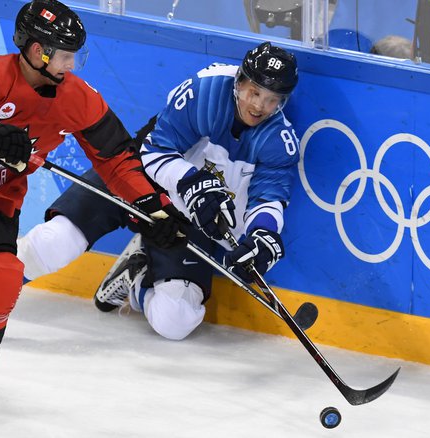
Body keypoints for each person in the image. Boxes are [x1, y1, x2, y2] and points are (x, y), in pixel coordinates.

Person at [0, 0, 187, 410]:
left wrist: (152, 204)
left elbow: (116, 158)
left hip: (1, 203)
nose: (72, 65)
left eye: (75, 54)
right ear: (35, 49)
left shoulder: (76, 97)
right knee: (3, 275)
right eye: (64, 55)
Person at [18, 41, 300, 341]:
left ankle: (137, 276)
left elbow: (268, 199)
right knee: (53, 242)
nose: (258, 106)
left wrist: (263, 235)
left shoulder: (279, 141)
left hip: (188, 220)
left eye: (271, 100)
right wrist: (193, 183)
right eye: (254, 92)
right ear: (239, 81)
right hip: (137, 180)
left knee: (175, 320)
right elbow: (153, 152)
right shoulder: (205, 92)